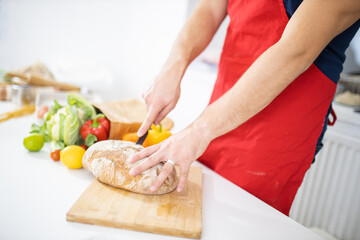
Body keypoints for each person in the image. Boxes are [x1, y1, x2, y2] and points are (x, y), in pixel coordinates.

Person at [128, 0, 360, 215]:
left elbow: (295, 51)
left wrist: (199, 130)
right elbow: (210, 7)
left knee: (238, 218)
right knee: (197, 209)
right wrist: (174, 63)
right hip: (223, 104)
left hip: (281, 123)